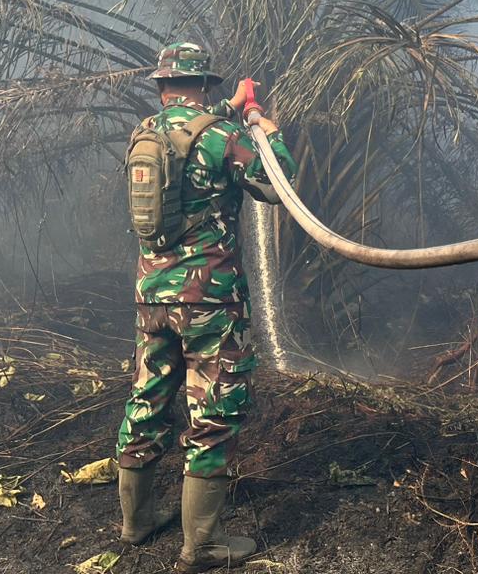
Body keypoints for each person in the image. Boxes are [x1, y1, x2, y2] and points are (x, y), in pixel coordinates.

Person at [114, 42, 298, 573]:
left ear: (163, 86)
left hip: (152, 297)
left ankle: (135, 524)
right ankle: (203, 546)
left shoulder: (143, 134)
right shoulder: (224, 138)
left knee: (147, 398)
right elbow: (277, 182)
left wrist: (229, 108)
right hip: (209, 301)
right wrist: (264, 123)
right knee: (212, 413)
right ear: (205, 84)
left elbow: (187, 128)